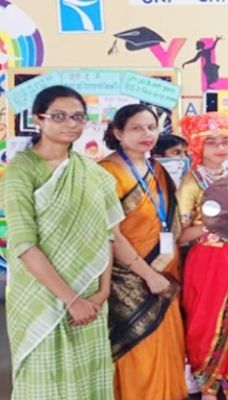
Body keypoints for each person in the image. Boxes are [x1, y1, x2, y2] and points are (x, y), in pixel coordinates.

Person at [4, 85, 124, 399]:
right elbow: (24, 244)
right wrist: (72, 300)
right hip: (41, 296)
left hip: (90, 297)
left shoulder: (91, 172)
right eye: (59, 116)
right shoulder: (21, 170)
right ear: (38, 119)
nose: (70, 123)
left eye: (78, 117)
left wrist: (103, 291)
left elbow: (106, 234)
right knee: (44, 383)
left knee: (88, 381)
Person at [98, 104, 187, 400]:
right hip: (129, 281)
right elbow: (111, 234)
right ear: (118, 132)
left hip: (166, 276)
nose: (146, 134)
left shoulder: (158, 170)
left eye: (151, 127)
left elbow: (172, 222)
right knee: (139, 355)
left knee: (168, 352)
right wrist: (148, 275)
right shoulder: (106, 173)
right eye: (136, 128)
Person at [177, 112, 228, 400]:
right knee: (204, 325)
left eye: (225, 142)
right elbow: (181, 235)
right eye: (211, 142)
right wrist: (214, 222)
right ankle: (208, 388)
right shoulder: (190, 184)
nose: (220, 148)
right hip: (206, 264)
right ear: (198, 146)